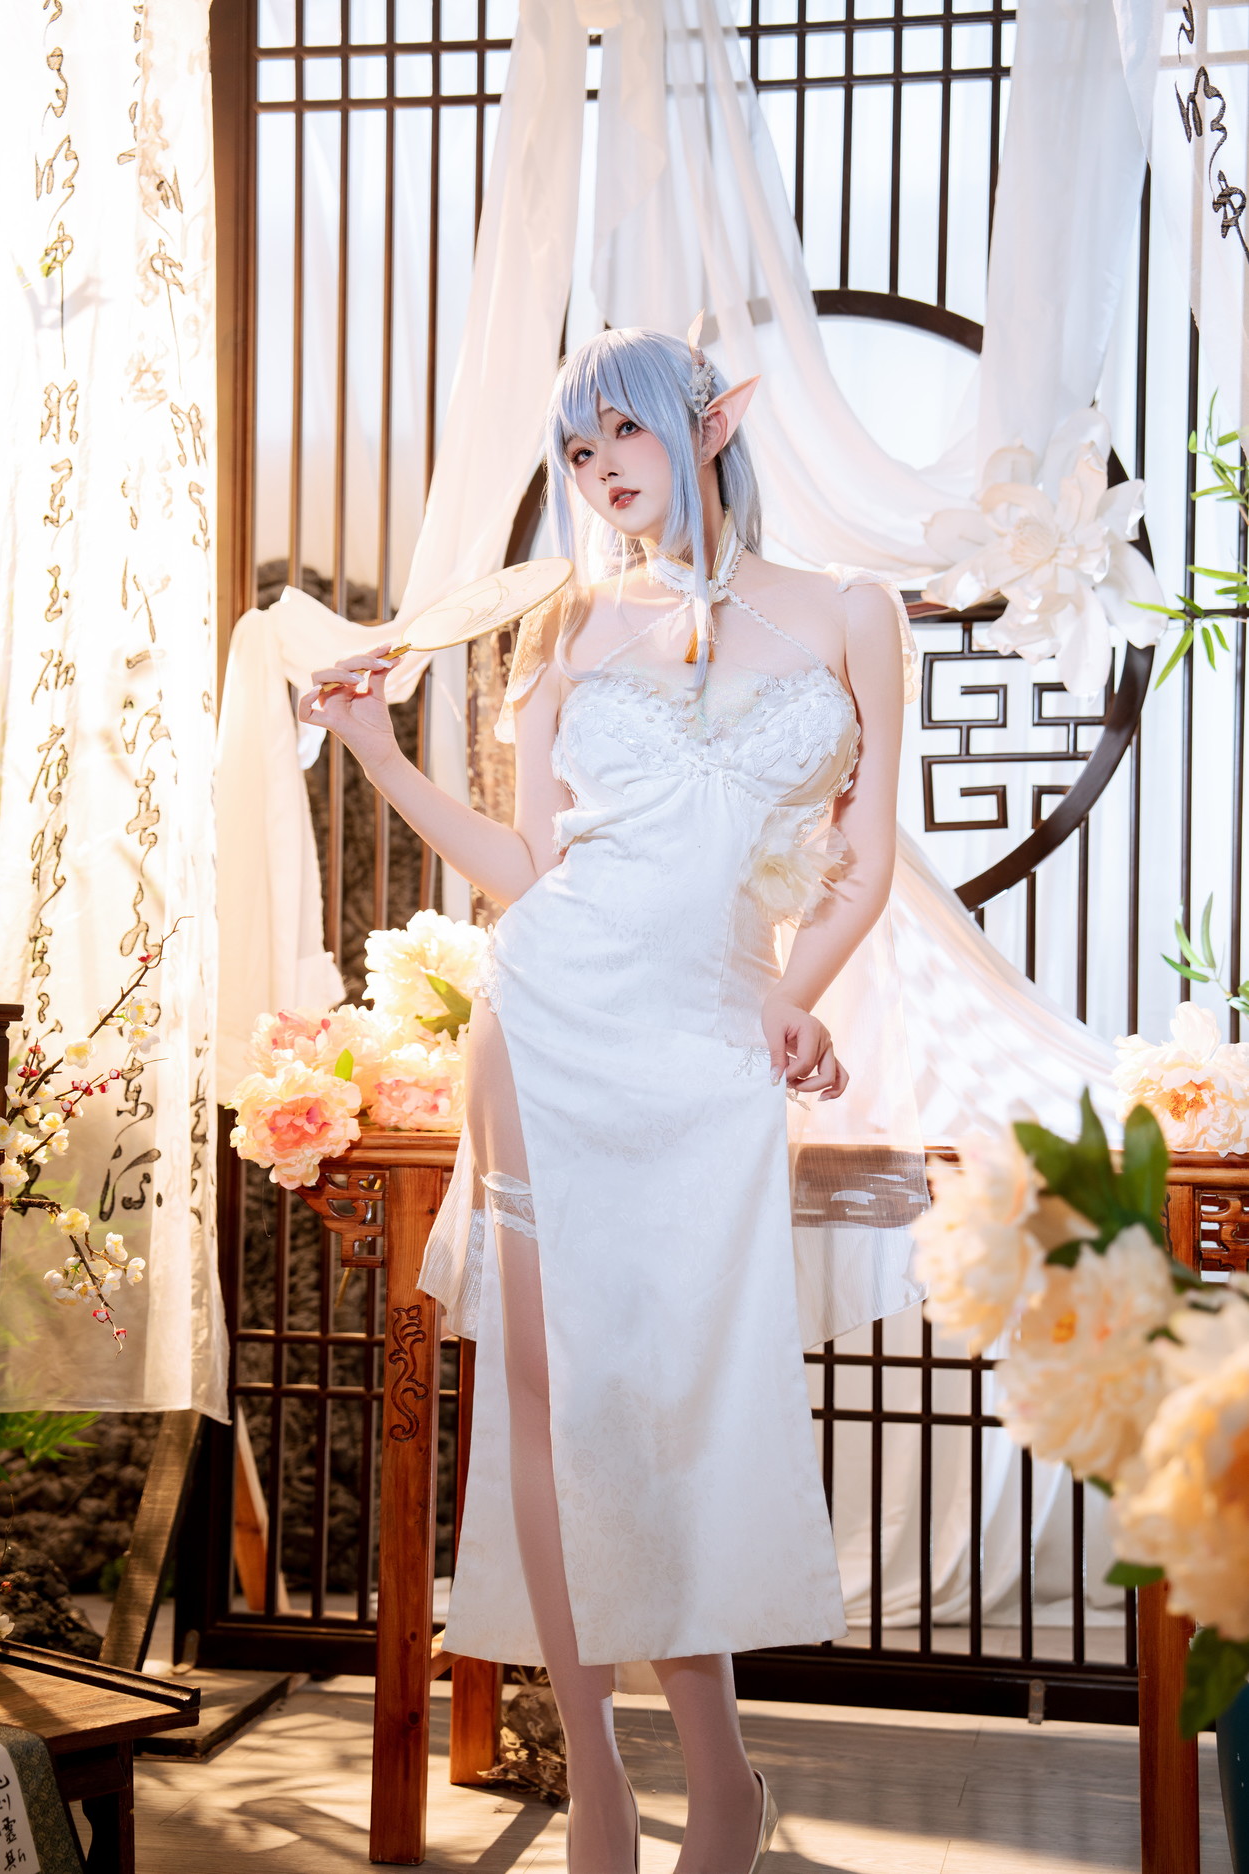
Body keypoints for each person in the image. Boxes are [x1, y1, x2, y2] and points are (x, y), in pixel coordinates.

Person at [300, 325, 909, 1874]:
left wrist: (794, 993)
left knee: (669, 1403)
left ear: (711, 423)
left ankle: (721, 1773)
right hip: (547, 1023)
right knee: (548, 1403)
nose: (598, 470)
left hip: (708, 1042)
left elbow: (863, 857)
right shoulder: (571, 624)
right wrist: (374, 749)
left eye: (620, 433)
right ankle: (600, 1783)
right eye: (575, 452)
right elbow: (528, 868)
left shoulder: (849, 611)